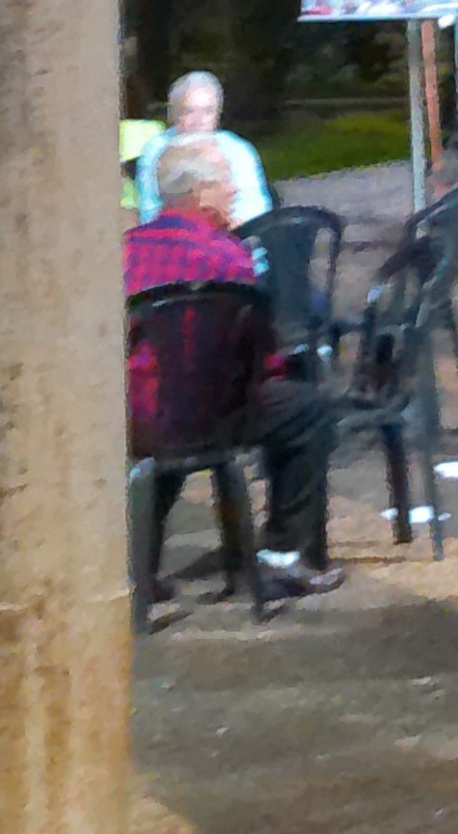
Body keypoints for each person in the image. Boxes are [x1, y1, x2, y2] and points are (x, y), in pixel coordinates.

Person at [124, 136, 340, 598]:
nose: (235, 190)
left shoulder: (124, 252)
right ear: (200, 194)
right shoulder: (227, 256)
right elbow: (259, 355)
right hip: (216, 416)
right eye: (226, 181)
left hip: (135, 420)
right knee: (307, 408)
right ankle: (285, 550)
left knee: (163, 415)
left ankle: (138, 566)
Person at [132, 69, 271, 226]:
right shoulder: (156, 150)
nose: (198, 120)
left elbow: (254, 207)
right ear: (172, 114)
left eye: (208, 111)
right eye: (189, 111)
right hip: (175, 233)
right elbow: (149, 210)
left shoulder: (237, 149)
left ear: (218, 114)